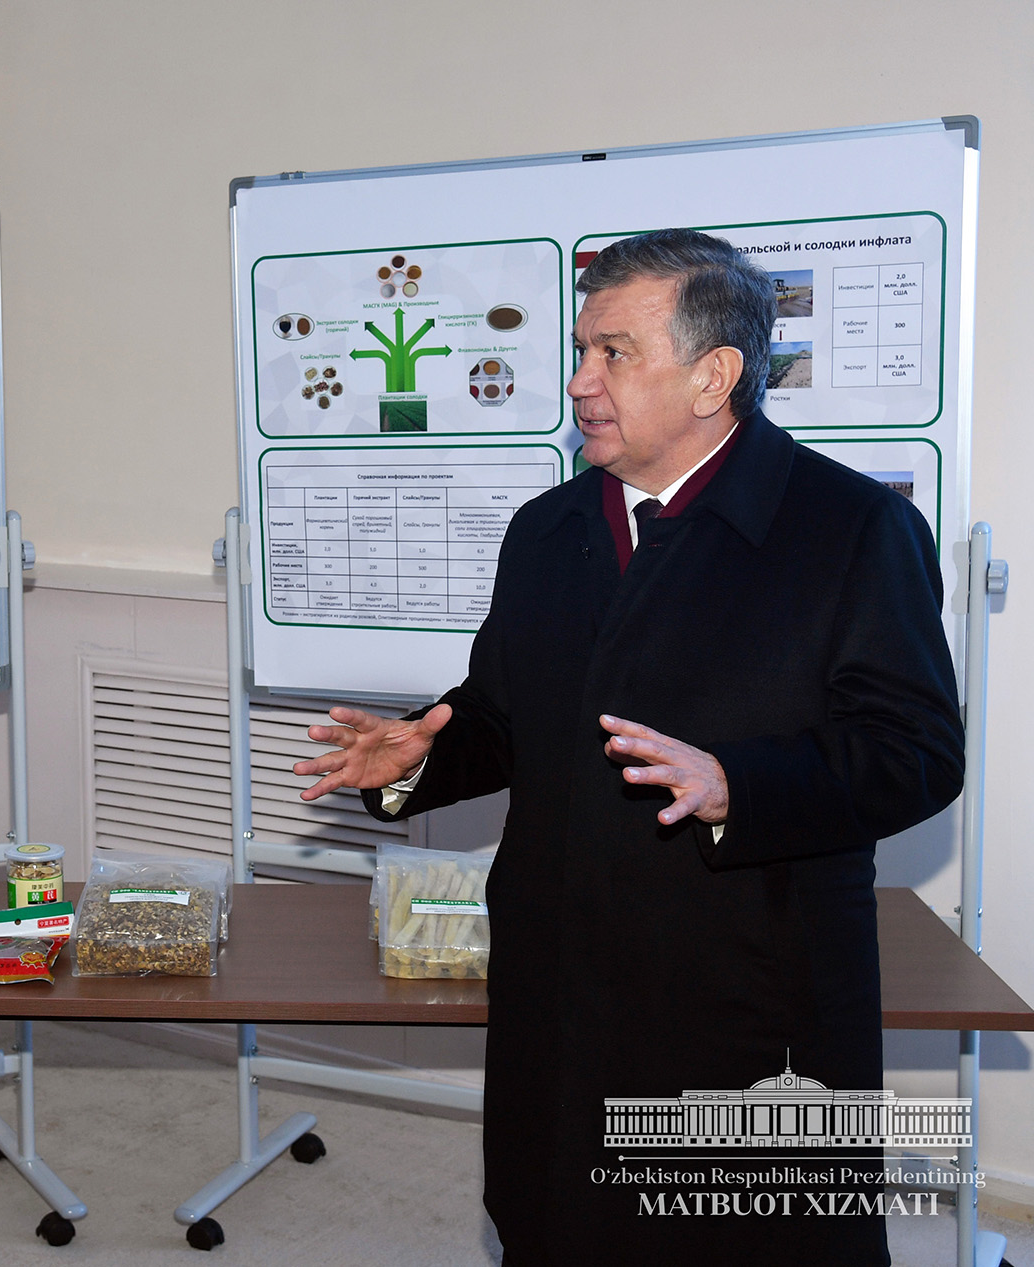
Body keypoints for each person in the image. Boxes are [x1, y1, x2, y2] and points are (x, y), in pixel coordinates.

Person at [294, 229, 963, 1265]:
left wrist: (741, 784)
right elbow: (506, 717)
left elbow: (917, 749)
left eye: (613, 353)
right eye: (579, 350)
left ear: (715, 376)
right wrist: (419, 759)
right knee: (560, 1223)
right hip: (561, 986)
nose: (579, 381)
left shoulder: (852, 529)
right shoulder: (548, 529)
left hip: (749, 992)